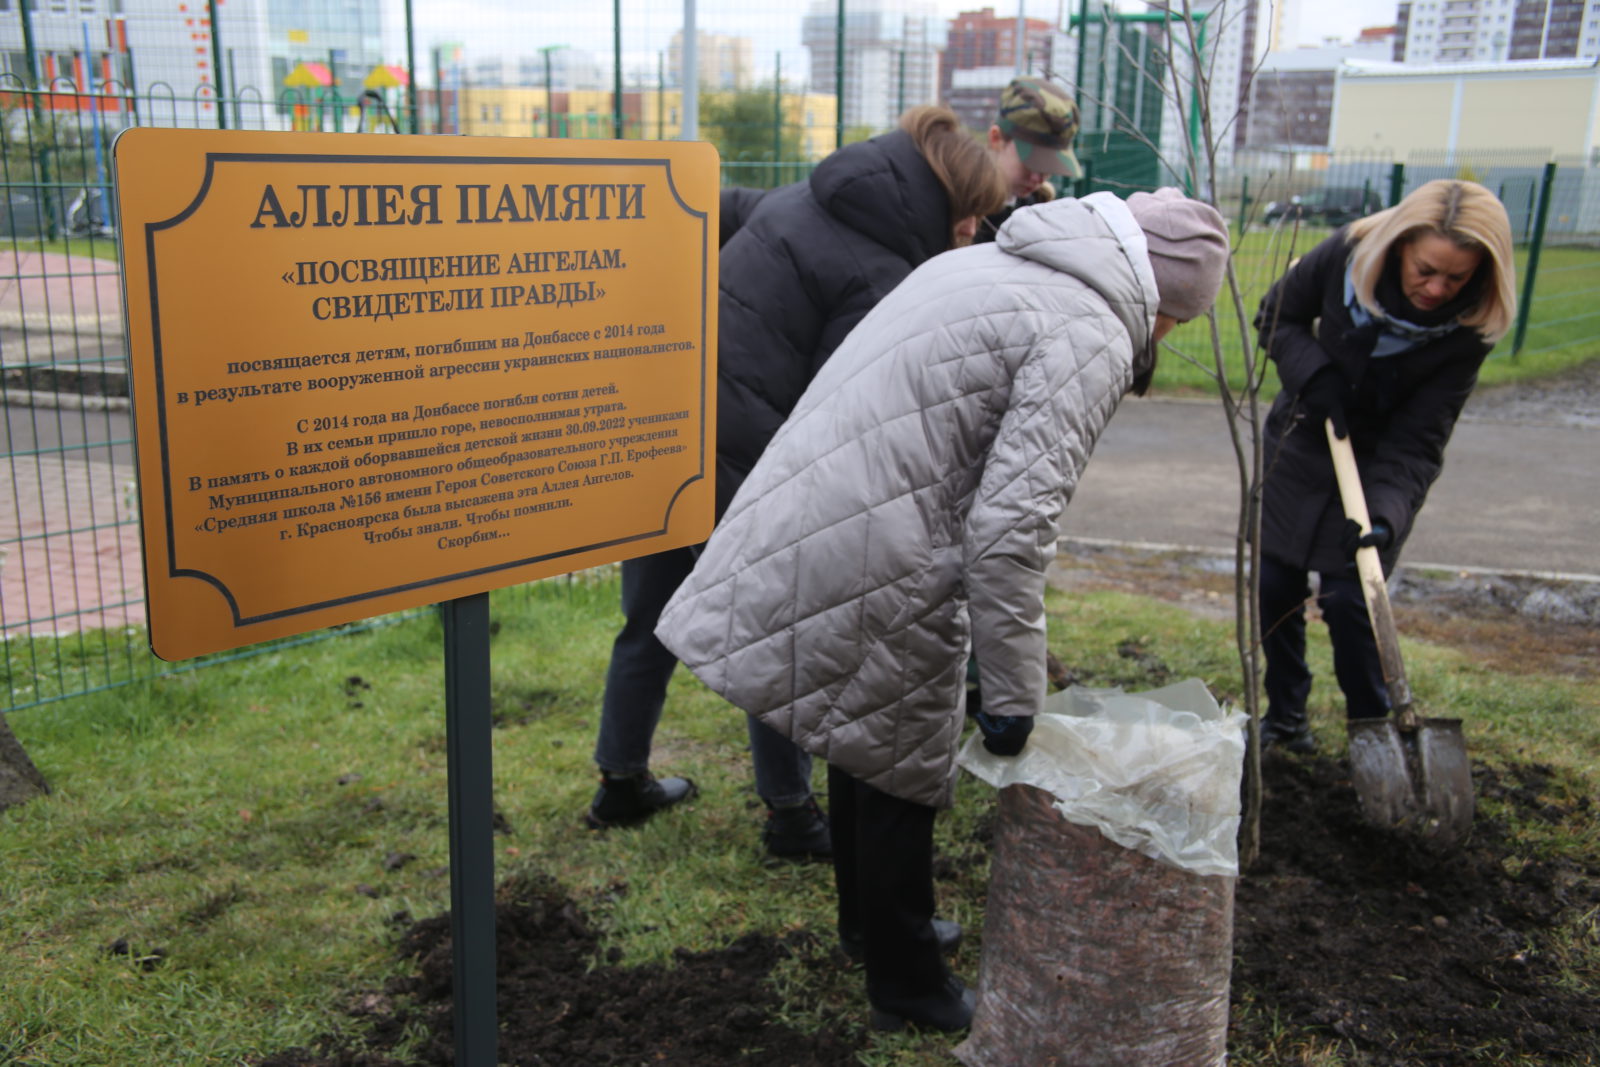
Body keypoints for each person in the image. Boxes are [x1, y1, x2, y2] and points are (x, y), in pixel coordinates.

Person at [655, 188, 1231, 1031]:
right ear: (1165, 300)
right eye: (1177, 323)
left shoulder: (992, 261)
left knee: (864, 731)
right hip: (891, 540)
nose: (1165, 339)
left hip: (832, 504)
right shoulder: (1093, 329)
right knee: (901, 763)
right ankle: (910, 986)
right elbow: (1011, 527)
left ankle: (871, 927)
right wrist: (1010, 696)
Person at [585, 107, 1008, 862]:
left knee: (648, 612)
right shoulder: (879, 274)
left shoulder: (807, 197)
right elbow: (840, 403)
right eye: (971, 216)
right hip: (744, 450)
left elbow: (726, 212)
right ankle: (791, 817)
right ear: (940, 200)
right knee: (779, 629)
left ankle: (620, 779)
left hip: (667, 428)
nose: (974, 231)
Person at [1254, 179, 1517, 752]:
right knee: (1275, 584)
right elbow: (1277, 315)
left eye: (1456, 277)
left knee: (1353, 600)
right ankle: (1286, 718)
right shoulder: (1345, 254)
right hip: (1304, 437)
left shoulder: (1465, 335)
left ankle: (1372, 733)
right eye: (1426, 269)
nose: (1436, 288)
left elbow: (1418, 442)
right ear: (1399, 245)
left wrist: (1386, 517)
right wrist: (1314, 374)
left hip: (1377, 466)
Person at [975, 76, 1083, 243]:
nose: (1038, 178)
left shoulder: (1036, 209)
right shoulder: (959, 205)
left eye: (1049, 167)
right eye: (1031, 162)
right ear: (996, 139)